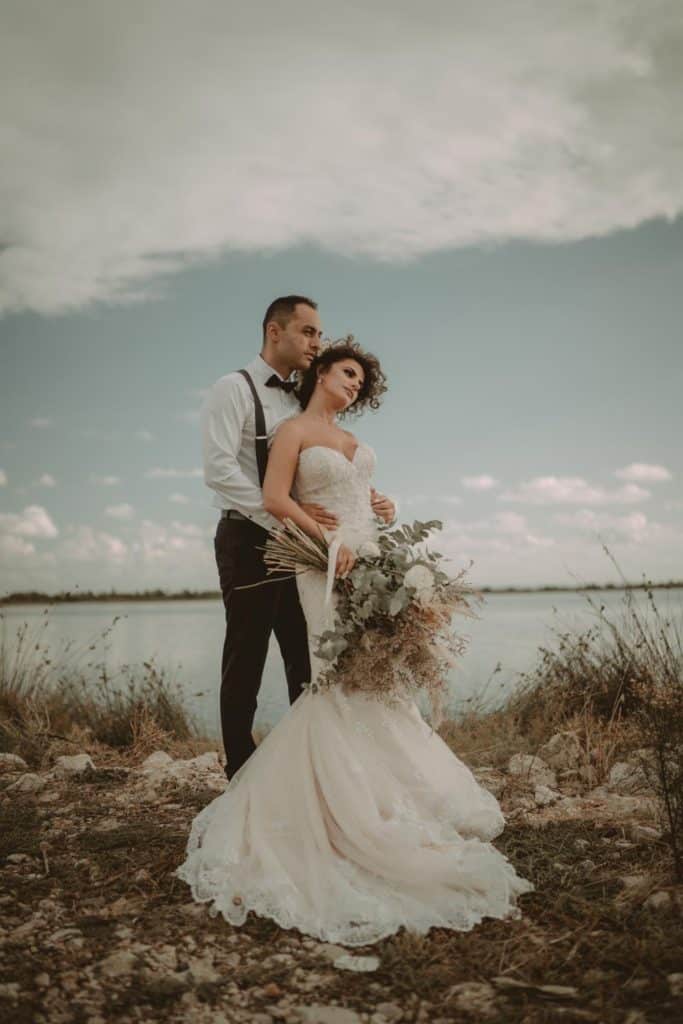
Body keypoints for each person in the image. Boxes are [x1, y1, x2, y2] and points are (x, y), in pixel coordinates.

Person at [178, 339, 534, 946]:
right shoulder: (291, 430)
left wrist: (386, 508)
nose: (353, 387)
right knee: (336, 675)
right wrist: (325, 539)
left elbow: (363, 500)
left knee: (379, 674)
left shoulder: (350, 441)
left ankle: (387, 793)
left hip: (370, 557)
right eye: (346, 374)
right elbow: (273, 499)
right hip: (325, 565)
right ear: (320, 371)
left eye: (361, 383)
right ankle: (326, 806)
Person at [201, 296, 395, 779]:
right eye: (308, 332)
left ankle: (309, 771)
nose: (317, 342)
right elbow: (220, 470)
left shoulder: (300, 401)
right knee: (246, 654)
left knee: (306, 652)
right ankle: (241, 774)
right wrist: (284, 516)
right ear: (274, 331)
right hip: (249, 537)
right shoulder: (233, 388)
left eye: (319, 334)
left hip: (304, 545)